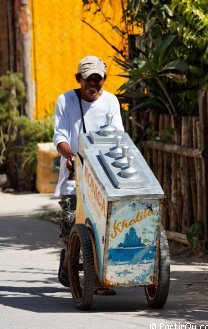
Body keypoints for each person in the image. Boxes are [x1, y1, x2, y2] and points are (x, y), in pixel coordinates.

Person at [53, 55, 124, 294]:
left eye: (99, 80)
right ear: (78, 79)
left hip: (104, 176)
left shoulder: (111, 102)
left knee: (101, 228)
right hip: (74, 178)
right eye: (88, 80)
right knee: (72, 225)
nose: (94, 85)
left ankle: (96, 278)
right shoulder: (66, 101)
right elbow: (60, 136)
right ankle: (68, 262)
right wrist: (71, 157)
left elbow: (117, 136)